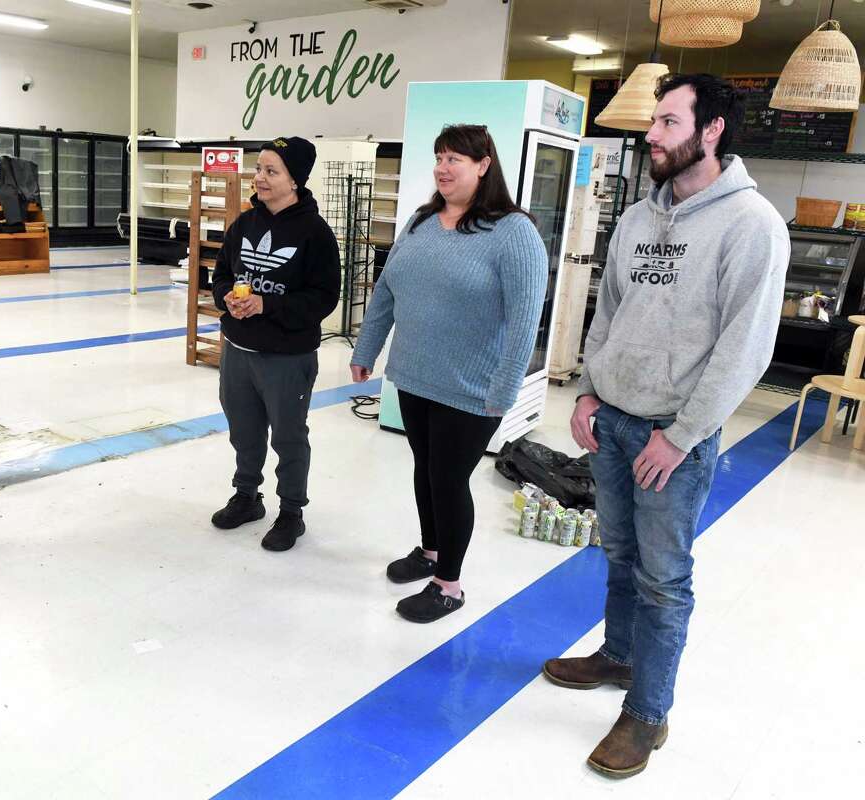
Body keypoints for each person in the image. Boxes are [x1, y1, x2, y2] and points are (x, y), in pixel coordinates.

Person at [541, 73, 788, 778]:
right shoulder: (638, 218)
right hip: (613, 423)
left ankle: (648, 716)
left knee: (663, 580)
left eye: (670, 122)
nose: (651, 134)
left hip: (671, 440)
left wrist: (680, 437)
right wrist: (588, 391)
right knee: (619, 555)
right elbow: (609, 310)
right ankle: (618, 657)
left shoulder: (751, 225)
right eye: (653, 121)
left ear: (711, 132)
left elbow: (745, 348)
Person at [351, 124, 548, 623]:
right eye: (439, 157)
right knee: (426, 471)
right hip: (416, 376)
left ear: (484, 165)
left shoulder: (513, 232)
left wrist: (506, 387)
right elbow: (387, 291)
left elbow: (526, 319)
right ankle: (431, 551)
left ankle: (449, 586)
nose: (442, 167)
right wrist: (367, 348)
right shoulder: (420, 222)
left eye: (455, 158)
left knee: (449, 480)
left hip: (472, 387)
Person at [209, 136, 340, 552]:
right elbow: (222, 275)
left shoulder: (315, 233)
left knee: (287, 437)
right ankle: (247, 496)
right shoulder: (244, 225)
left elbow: (324, 297)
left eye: (271, 171)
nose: (259, 178)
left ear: (295, 180)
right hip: (238, 351)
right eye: (259, 168)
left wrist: (268, 304)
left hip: (286, 357)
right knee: (244, 432)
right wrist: (228, 300)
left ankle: (291, 512)